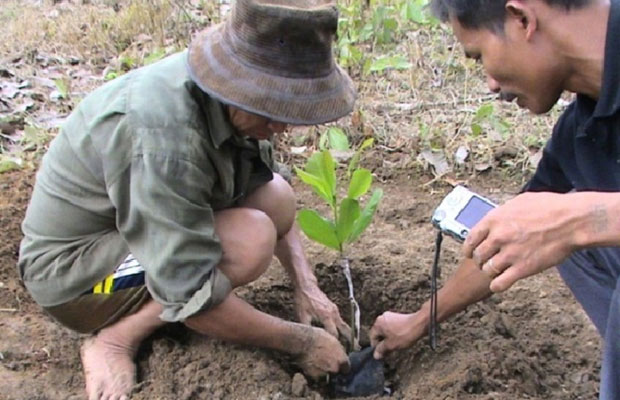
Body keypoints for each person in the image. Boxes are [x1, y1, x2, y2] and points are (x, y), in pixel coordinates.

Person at [17, 0, 357, 399]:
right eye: (273, 110)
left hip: (125, 231)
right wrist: (302, 342)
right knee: (249, 241)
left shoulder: (225, 94)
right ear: (240, 89)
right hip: (76, 279)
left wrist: (307, 284)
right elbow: (192, 296)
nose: (282, 125)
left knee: (276, 196)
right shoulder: (164, 141)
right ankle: (115, 338)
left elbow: (262, 184)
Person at [370, 0, 620, 398]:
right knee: (558, 222)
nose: (488, 82)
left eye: (480, 55)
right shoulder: (582, 134)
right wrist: (419, 321)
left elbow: (576, 218)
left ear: (521, 18)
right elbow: (501, 242)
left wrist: (577, 220)